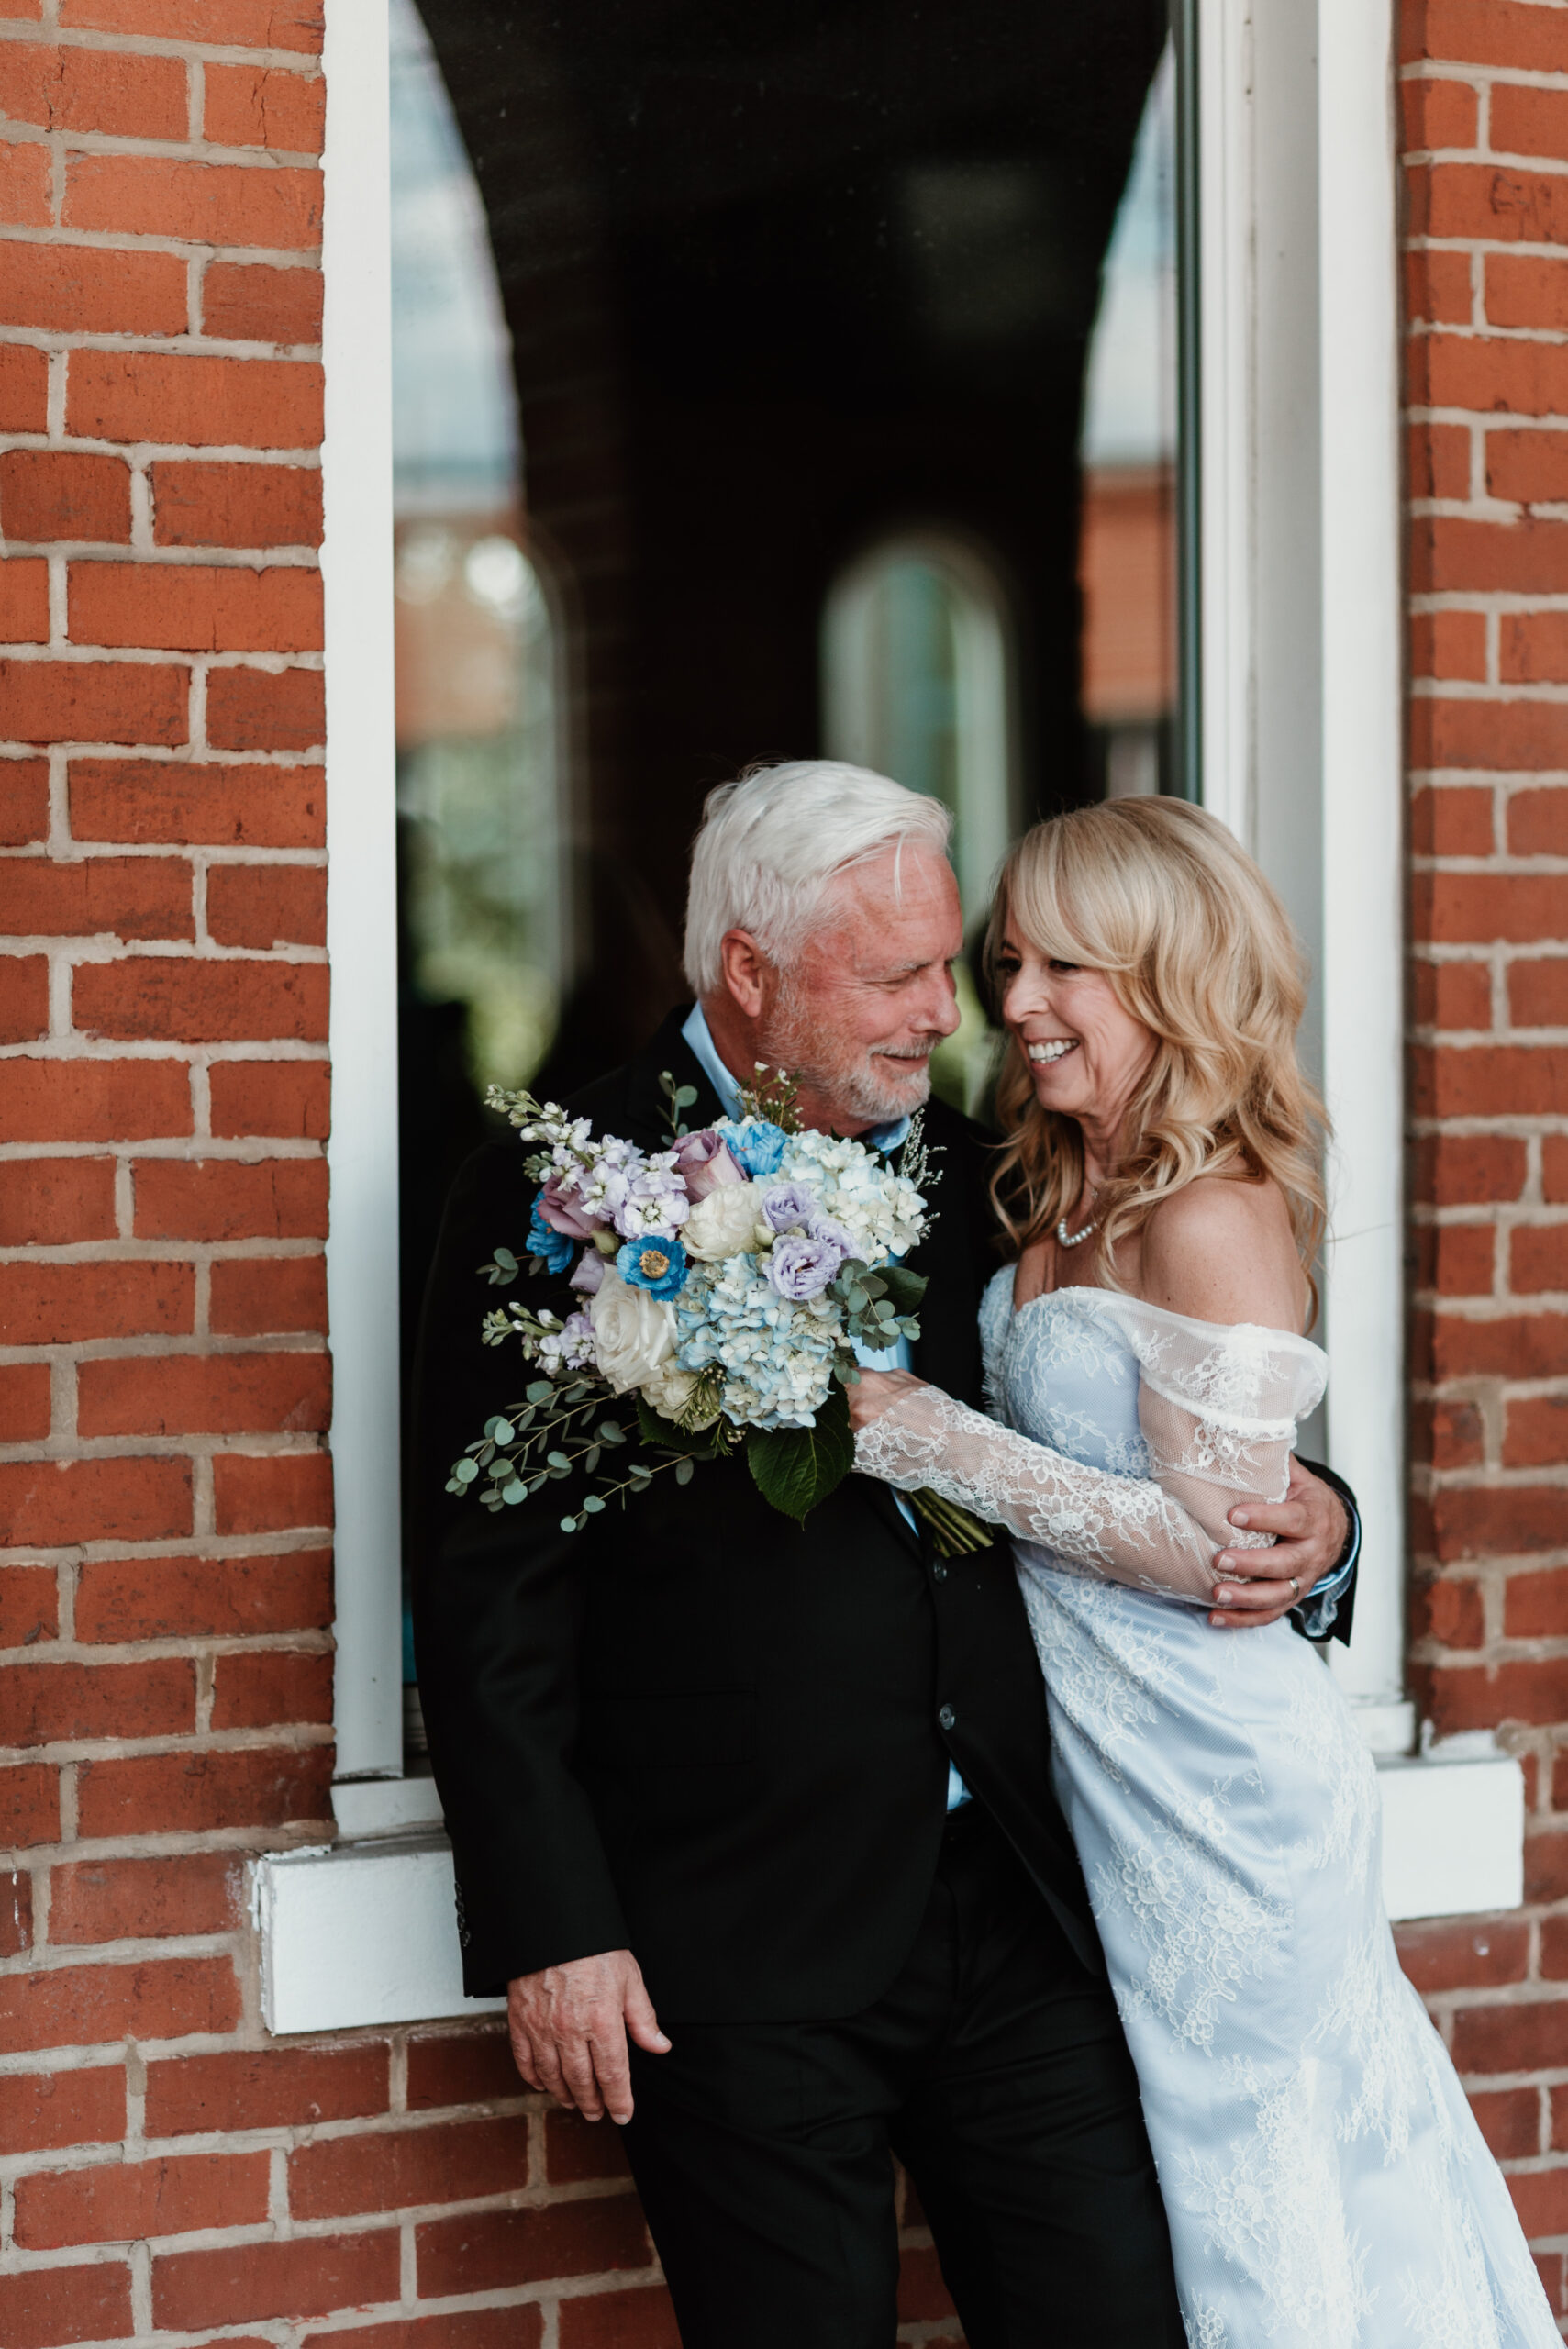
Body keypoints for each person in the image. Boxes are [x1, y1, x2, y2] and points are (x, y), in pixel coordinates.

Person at [411, 763, 1359, 2349]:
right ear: (750, 971)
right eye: (898, 975)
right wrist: (552, 1925)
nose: (949, 1013)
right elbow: (484, 1591)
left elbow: (1147, 1429)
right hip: (734, 1938)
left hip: (1029, 1898)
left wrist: (1317, 1518)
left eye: (951, 966)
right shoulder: (558, 1198)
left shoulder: (983, 1171)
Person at [850, 796, 1555, 2348]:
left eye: (1066, 968)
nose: (1016, 1001)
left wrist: (932, 1442)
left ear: (1166, 975)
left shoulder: (1212, 1209)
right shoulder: (1038, 1178)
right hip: (1099, 1777)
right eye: (1010, 961)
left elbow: (1216, 1547)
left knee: (1258, 2185)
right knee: (1176, 2200)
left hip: (1221, 1788)